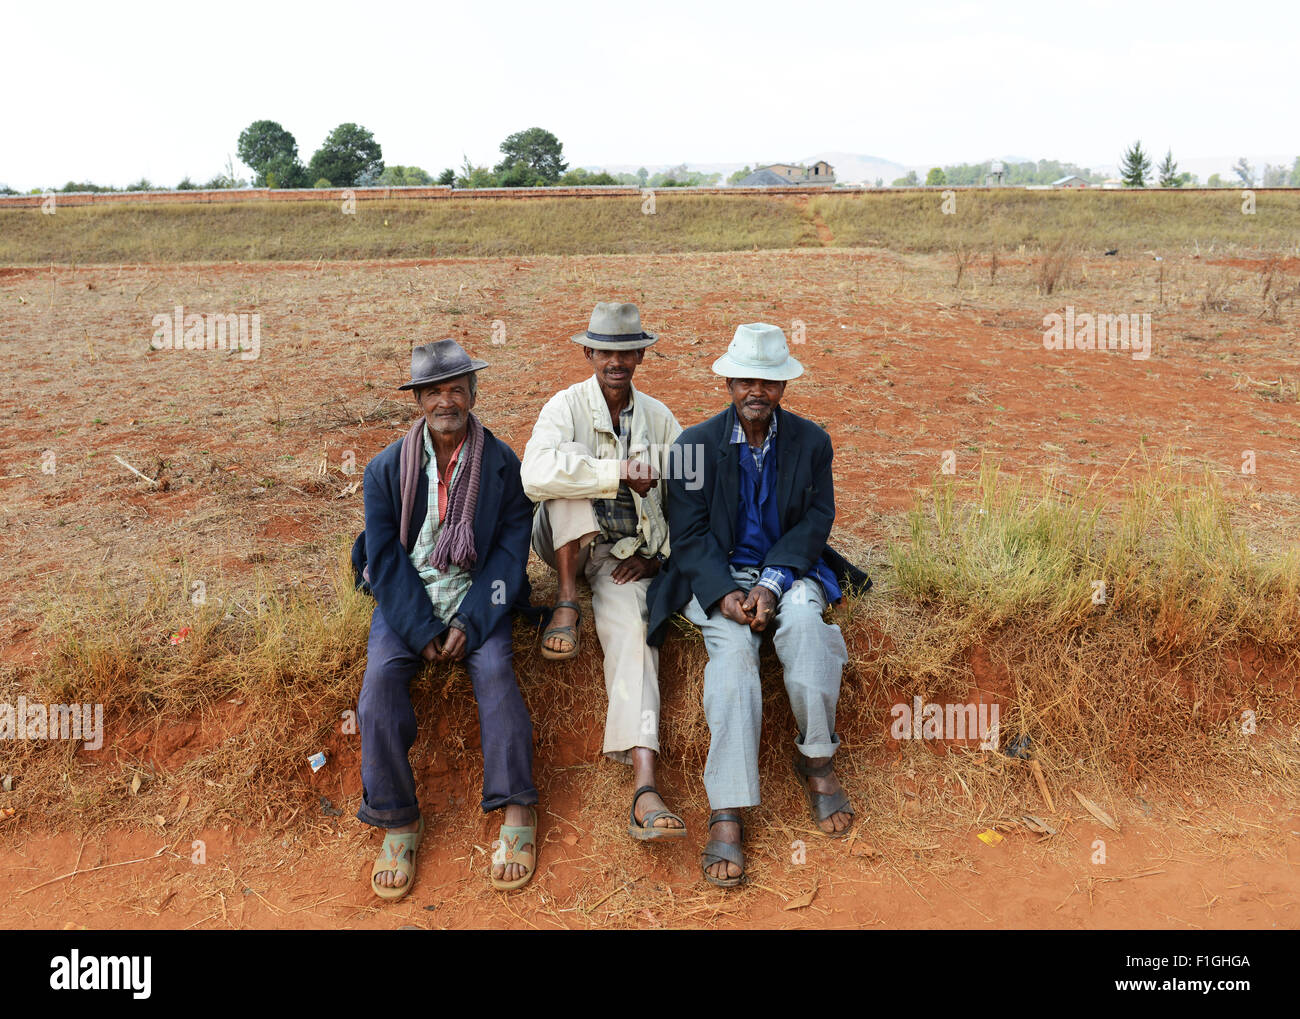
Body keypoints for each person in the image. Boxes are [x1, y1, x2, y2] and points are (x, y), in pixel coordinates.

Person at [647, 322, 871, 887]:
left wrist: (771, 584)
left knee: (805, 629)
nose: (756, 391)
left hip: (788, 572)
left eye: (768, 382)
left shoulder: (811, 442)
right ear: (727, 382)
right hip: (718, 577)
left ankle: (817, 762)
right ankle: (727, 808)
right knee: (733, 659)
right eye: (746, 378)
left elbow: (816, 522)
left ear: (783, 388)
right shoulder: (693, 446)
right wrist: (724, 593)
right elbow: (690, 533)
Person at [350, 339, 540, 898]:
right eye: (433, 391)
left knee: (498, 674)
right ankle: (398, 818)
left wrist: (471, 622)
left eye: (456, 388)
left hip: (480, 595)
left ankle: (516, 809)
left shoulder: (504, 466)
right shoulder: (385, 469)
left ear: (473, 393)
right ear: (418, 402)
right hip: (409, 599)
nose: (446, 401)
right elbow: (383, 560)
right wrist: (424, 629)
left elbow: (509, 557)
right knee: (378, 687)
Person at [520, 302, 687, 841]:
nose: (616, 361)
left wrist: (658, 557)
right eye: (605, 351)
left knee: (637, 636)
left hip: (625, 557)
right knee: (565, 465)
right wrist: (615, 472)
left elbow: (691, 494)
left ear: (640, 354)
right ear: (589, 352)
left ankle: (644, 787)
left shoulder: (660, 418)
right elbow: (534, 475)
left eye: (626, 351)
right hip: (568, 544)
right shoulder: (564, 406)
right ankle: (566, 604)